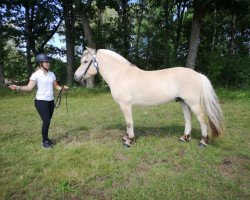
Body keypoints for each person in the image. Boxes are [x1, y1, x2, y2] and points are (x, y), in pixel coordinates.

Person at [9, 53, 68, 149]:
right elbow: (29, 87)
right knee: (46, 121)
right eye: (46, 62)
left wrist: (62, 89)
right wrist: (18, 87)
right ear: (40, 64)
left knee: (48, 121)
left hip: (50, 101)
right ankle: (44, 142)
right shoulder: (36, 75)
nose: (48, 63)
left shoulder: (51, 74)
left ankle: (46, 138)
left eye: (49, 62)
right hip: (41, 101)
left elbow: (55, 86)